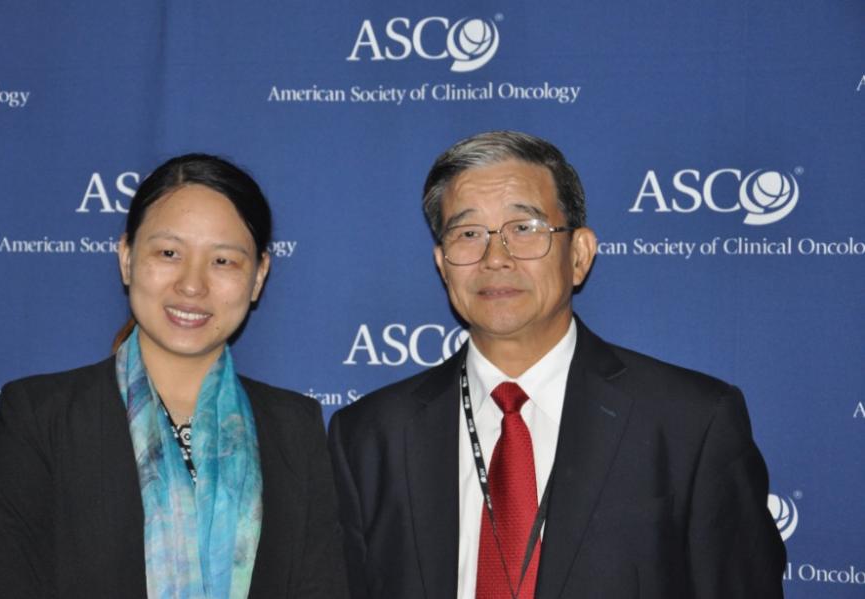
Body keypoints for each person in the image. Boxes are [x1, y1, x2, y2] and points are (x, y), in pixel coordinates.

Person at [328, 131, 786, 598]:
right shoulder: (371, 436)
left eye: (524, 228)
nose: (495, 258)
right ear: (443, 265)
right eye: (468, 234)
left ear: (580, 255)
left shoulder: (690, 422)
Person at [0, 154, 347, 598]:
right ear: (127, 257)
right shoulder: (42, 417)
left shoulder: (294, 427)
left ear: (259, 275)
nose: (192, 285)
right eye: (169, 253)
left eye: (223, 260)